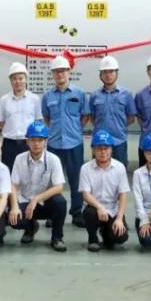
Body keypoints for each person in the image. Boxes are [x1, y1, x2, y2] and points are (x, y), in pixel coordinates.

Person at [41, 56, 91, 227]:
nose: (60, 74)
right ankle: (52, 213)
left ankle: (76, 213)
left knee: (76, 179)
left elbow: (85, 116)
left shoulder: (79, 94)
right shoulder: (47, 96)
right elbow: (47, 118)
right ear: (53, 74)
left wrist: (74, 130)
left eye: (63, 71)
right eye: (56, 71)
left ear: (69, 72)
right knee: (52, 180)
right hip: (54, 144)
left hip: (74, 143)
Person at [7, 121, 68, 252]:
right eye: (33, 140)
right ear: (27, 141)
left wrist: (36, 199)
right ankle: (30, 228)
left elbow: (59, 187)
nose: (36, 144)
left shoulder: (53, 159)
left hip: (45, 203)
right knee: (12, 217)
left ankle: (57, 238)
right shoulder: (19, 159)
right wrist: (15, 207)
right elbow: (13, 184)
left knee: (60, 202)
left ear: (45, 142)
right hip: (25, 201)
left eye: (40, 140)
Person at [78, 130, 130, 252]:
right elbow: (85, 194)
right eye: (99, 148)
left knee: (120, 238)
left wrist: (119, 218)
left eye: (106, 148)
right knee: (89, 213)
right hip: (94, 208)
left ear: (111, 149)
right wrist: (99, 207)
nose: (103, 152)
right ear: (93, 150)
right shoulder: (86, 168)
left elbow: (123, 194)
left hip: (113, 209)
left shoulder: (119, 167)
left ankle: (106, 233)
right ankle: (93, 238)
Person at [88, 55, 137, 168]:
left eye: (111, 71)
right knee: (97, 172)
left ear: (116, 73)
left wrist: (119, 126)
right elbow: (92, 118)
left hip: (119, 141)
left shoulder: (126, 94)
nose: (108, 75)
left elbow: (131, 118)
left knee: (120, 172)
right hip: (99, 142)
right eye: (105, 72)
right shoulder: (94, 95)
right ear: (100, 75)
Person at [0, 62, 41, 169]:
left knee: (29, 172)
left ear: (26, 79)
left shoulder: (34, 99)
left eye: (21, 78)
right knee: (8, 172)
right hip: (9, 143)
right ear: (10, 81)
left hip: (28, 143)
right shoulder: (4, 100)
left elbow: (38, 122)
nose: (18, 81)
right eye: (14, 79)